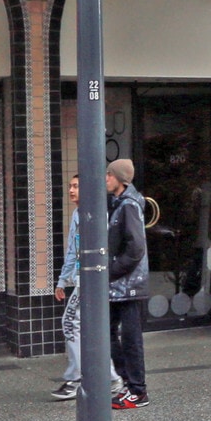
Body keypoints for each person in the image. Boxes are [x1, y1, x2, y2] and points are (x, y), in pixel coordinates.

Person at [53, 174, 125, 403]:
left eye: (76, 186)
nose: (71, 191)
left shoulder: (95, 214)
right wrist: (63, 280)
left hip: (92, 279)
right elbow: (72, 250)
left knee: (70, 322)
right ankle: (111, 378)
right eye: (70, 186)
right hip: (81, 278)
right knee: (88, 329)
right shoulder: (77, 214)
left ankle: (76, 378)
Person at [106, 159, 149, 408]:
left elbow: (135, 248)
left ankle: (138, 390)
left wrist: (111, 271)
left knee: (131, 338)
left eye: (109, 175)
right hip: (122, 284)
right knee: (110, 333)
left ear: (119, 179)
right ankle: (129, 385)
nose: (106, 179)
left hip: (128, 285)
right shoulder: (120, 203)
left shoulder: (129, 205)